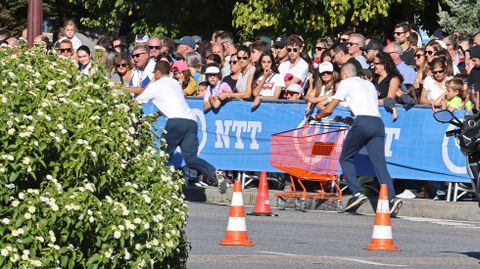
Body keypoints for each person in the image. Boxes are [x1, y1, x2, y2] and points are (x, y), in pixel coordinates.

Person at [311, 63, 402, 216]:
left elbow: (329, 109)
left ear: (344, 74)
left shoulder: (347, 82)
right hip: (378, 124)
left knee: (345, 158)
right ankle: (392, 199)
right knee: (380, 165)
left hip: (363, 122)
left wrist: (317, 116)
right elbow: (360, 106)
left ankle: (357, 193)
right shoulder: (369, 85)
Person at [136, 61, 226, 193]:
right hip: (191, 122)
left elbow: (137, 102)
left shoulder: (155, 86)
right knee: (190, 158)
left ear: (158, 72)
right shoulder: (175, 84)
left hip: (175, 122)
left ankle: (155, 187)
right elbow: (171, 103)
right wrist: (156, 115)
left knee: (163, 155)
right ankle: (213, 172)